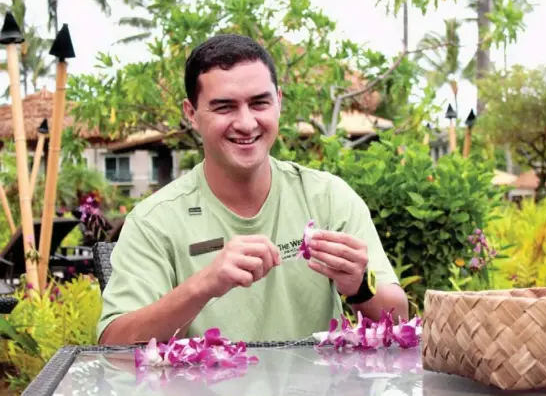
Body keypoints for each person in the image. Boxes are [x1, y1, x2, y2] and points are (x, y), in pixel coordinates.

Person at [97, 34, 408, 345]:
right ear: (191, 114)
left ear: (279, 102)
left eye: (259, 103)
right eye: (224, 107)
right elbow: (113, 345)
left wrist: (360, 285)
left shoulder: (326, 197)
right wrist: (204, 284)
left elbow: (400, 319)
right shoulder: (155, 220)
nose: (246, 123)